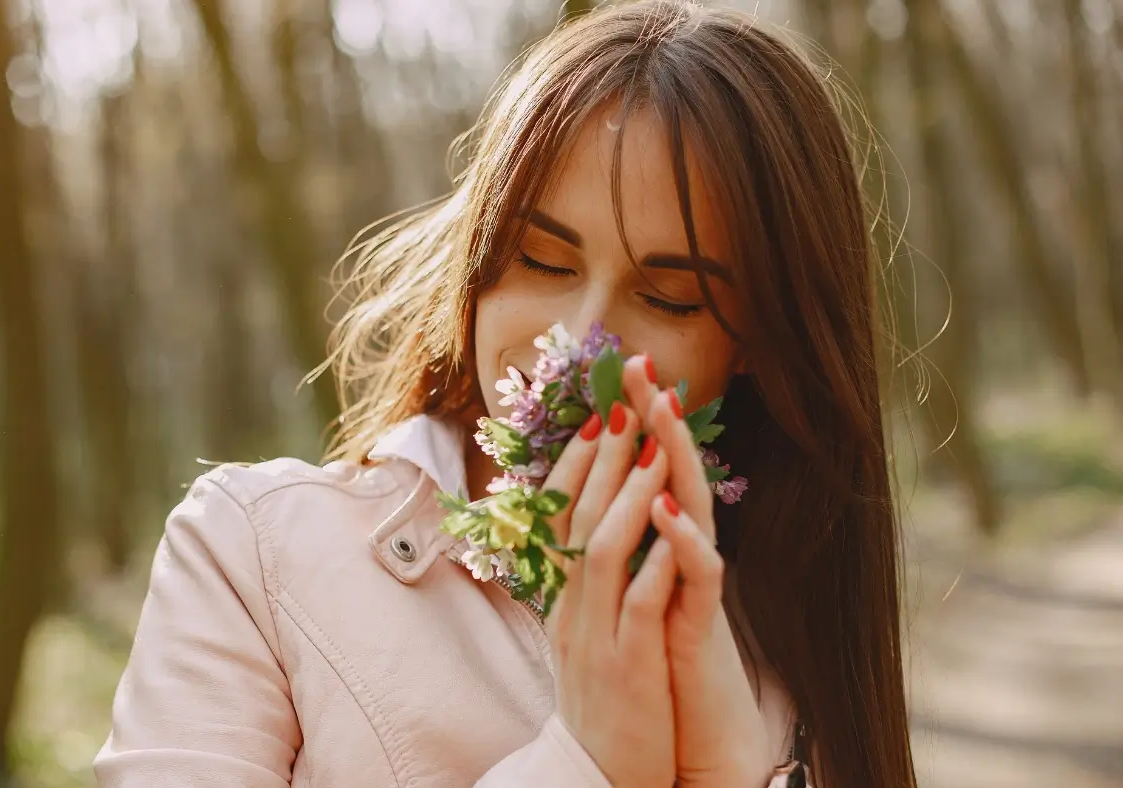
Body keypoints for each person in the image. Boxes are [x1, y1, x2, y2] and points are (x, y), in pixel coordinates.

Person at [94, 2, 917, 786]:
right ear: (480, 258)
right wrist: (588, 765)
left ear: (758, 344)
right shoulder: (255, 556)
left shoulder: (786, 632)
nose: (579, 338)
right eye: (543, 261)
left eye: (669, 297)